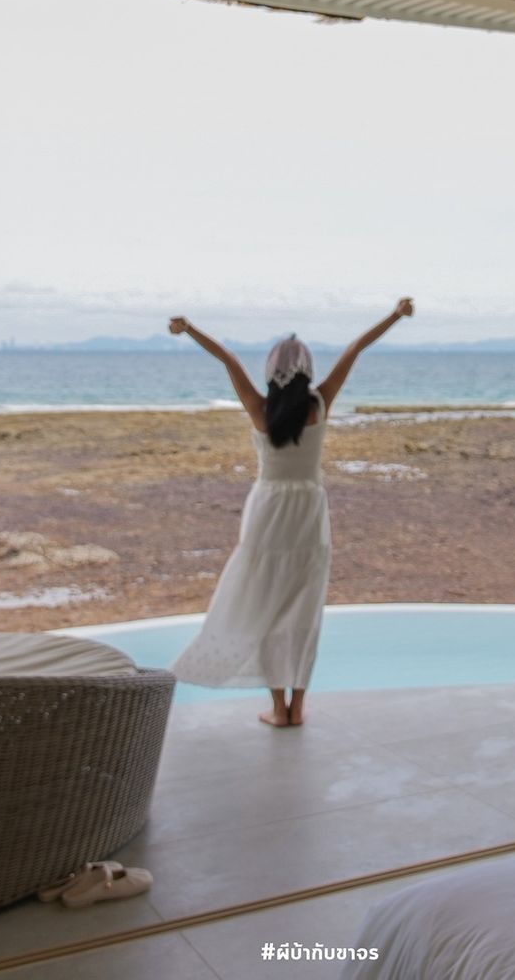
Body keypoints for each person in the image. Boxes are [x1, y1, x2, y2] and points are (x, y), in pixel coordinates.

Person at [168, 299, 415, 727]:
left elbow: (226, 357)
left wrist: (189, 328)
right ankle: (297, 708)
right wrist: (395, 315)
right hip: (307, 509)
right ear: (306, 370)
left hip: (268, 509)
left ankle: (279, 708)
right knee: (304, 609)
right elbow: (356, 348)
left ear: (271, 370)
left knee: (266, 602)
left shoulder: (260, 408)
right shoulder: (318, 404)